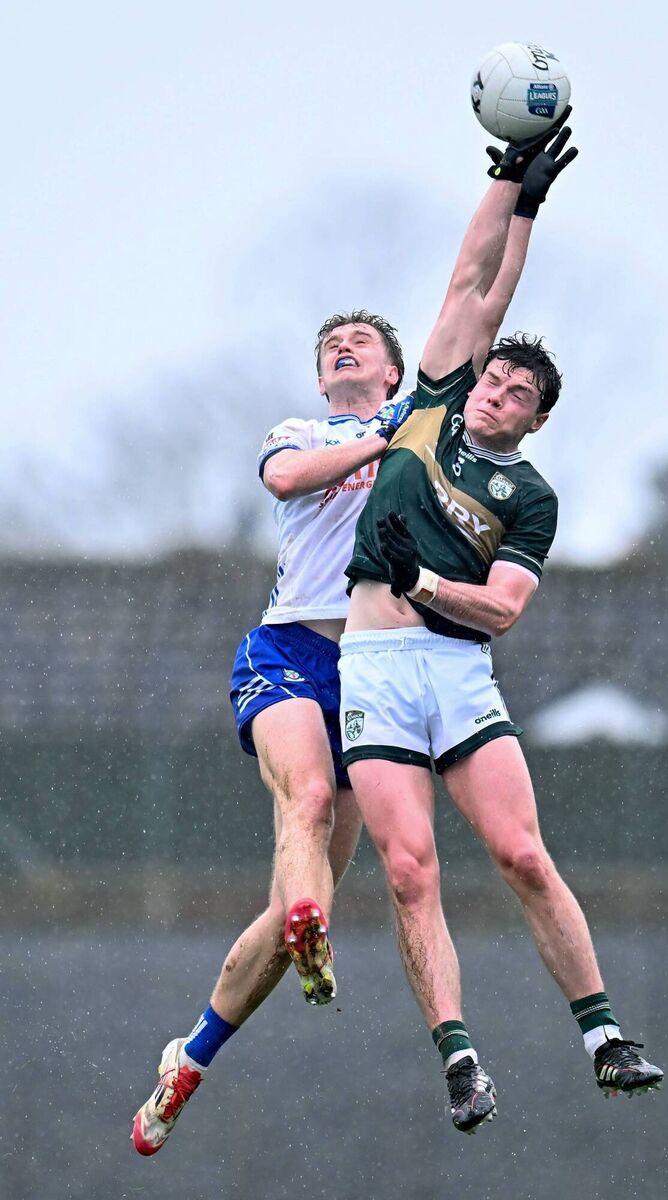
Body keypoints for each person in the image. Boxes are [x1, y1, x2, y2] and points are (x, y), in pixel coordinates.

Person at [339, 116, 664, 1134]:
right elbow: (477, 284)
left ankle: (604, 1038)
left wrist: (425, 582)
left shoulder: (531, 499)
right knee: (407, 868)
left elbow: (506, 611)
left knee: (523, 856)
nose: (498, 391)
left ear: (534, 418)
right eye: (495, 377)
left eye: (519, 392)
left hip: (455, 669)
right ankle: (460, 1060)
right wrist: (518, 197)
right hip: (375, 668)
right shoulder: (430, 401)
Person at [131, 310, 415, 1155]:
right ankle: (306, 919)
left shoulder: (422, 431)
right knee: (312, 799)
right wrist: (379, 439)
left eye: (364, 339)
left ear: (396, 372)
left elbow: (474, 308)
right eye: (332, 345)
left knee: (295, 914)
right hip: (290, 652)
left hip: (375, 670)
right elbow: (288, 481)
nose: (344, 346)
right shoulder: (303, 432)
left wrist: (517, 208)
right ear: (323, 381)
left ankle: (191, 1060)